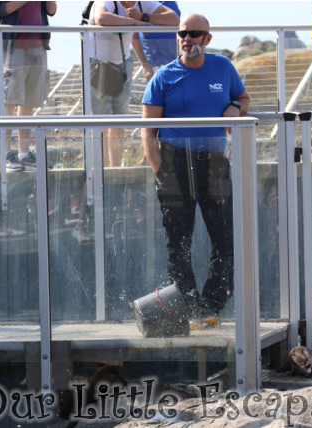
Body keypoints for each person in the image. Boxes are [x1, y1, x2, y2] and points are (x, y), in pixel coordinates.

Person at [141, 13, 250, 322]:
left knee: (226, 238)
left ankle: (211, 306)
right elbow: (147, 131)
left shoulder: (223, 67)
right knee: (178, 242)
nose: (187, 39)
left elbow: (244, 98)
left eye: (194, 33)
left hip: (214, 164)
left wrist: (235, 107)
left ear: (207, 38)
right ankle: (188, 308)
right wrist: (160, 172)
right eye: (183, 34)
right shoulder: (163, 77)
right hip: (174, 164)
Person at [88, 1, 179, 167]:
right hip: (98, 64)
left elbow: (174, 18)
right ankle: (99, 169)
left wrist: (145, 16)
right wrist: (136, 22)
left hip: (122, 64)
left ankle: (115, 168)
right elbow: (101, 18)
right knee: (101, 121)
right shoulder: (106, 2)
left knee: (119, 120)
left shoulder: (143, 4)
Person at [0, 1, 57, 172]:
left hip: (38, 44)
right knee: (9, 100)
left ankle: (24, 154)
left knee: (29, 102)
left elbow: (51, 10)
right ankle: (5, 155)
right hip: (12, 45)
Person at [131, 1, 181, 82]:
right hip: (152, 63)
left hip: (171, 63)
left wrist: (144, 17)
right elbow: (134, 35)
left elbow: (176, 22)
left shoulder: (170, 3)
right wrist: (145, 65)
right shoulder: (139, 4)